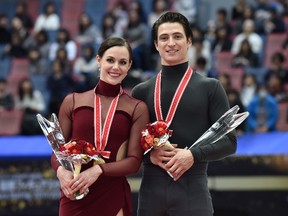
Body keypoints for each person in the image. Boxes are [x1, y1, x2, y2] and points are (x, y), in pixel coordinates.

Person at [131, 12, 237, 216]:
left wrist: (193, 155)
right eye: (164, 38)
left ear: (189, 41)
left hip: (193, 190)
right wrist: (149, 155)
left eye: (177, 36)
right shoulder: (141, 91)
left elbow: (230, 142)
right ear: (156, 45)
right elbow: (131, 143)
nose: (171, 43)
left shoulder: (210, 87)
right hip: (151, 193)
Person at [51, 37, 149, 216]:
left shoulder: (137, 108)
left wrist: (98, 170)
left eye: (123, 62)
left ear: (129, 67)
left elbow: (134, 162)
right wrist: (60, 172)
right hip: (76, 191)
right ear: (98, 61)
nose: (116, 67)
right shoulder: (72, 101)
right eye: (110, 60)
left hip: (111, 192)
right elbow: (57, 153)